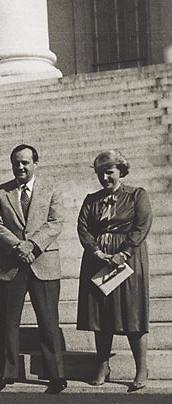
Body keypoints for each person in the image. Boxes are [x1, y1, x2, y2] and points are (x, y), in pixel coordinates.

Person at [0, 144, 67, 394]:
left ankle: (55, 375)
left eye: (25, 162)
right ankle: (5, 373)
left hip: (43, 262)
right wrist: (18, 246)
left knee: (48, 321)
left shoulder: (51, 189)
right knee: (8, 323)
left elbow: (56, 222)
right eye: (16, 163)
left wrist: (32, 244)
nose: (20, 167)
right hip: (11, 263)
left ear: (35, 164)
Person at [76, 150, 152, 391]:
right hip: (98, 259)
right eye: (100, 173)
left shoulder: (136, 195)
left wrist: (124, 253)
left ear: (120, 171)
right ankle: (102, 364)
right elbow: (84, 227)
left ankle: (141, 367)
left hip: (127, 260)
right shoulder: (92, 199)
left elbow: (142, 225)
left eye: (109, 172)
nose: (105, 177)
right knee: (100, 312)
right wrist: (96, 251)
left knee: (132, 311)